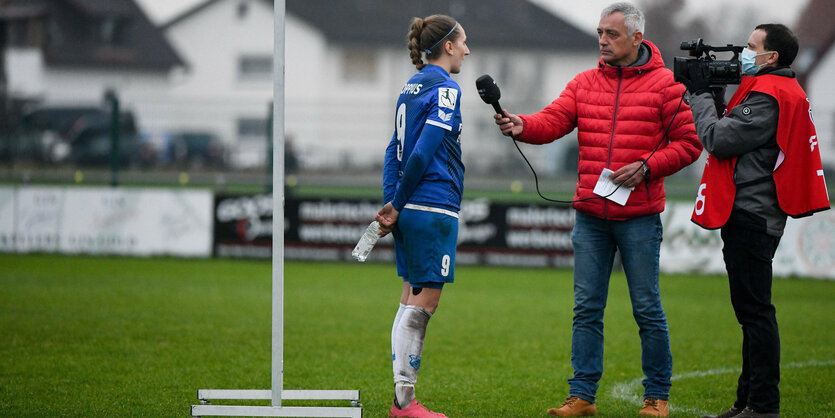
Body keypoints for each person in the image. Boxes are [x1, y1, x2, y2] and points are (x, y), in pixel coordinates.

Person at [493, 2, 702, 416]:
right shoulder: (585, 82)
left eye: (612, 33)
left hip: (640, 217)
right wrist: (522, 124)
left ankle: (657, 397)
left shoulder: (667, 86)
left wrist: (646, 168)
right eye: (600, 33)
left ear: (638, 39)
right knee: (587, 308)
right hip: (590, 215)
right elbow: (552, 121)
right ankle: (582, 397)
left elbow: (690, 145)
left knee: (646, 308)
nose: (603, 40)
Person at [680, 24, 830, 418]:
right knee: (751, 314)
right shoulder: (778, 90)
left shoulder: (769, 94)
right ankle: (747, 402)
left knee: (755, 313)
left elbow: (717, 139)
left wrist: (698, 95)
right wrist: (713, 93)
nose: (744, 53)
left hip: (751, 212)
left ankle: (763, 406)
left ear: (771, 57)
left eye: (750, 46)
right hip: (756, 210)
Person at [374, 14, 469, 418]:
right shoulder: (446, 88)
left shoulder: (408, 89)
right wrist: (396, 203)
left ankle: (402, 403)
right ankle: (405, 404)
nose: (467, 49)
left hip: (409, 206)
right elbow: (421, 150)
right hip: (431, 204)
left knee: (408, 300)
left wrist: (392, 203)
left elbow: (390, 152)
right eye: (463, 42)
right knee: (423, 304)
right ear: (448, 46)